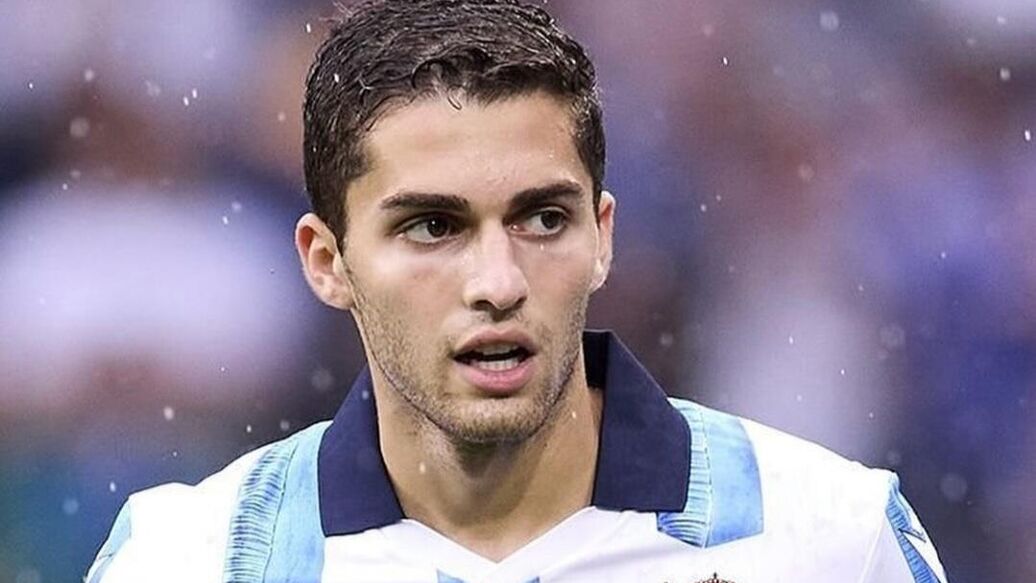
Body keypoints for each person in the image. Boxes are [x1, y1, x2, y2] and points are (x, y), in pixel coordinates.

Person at [87, 1, 949, 581]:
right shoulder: (189, 560)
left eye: (542, 219)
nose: (498, 283)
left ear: (602, 237)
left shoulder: (829, 538)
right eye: (433, 226)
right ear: (327, 260)